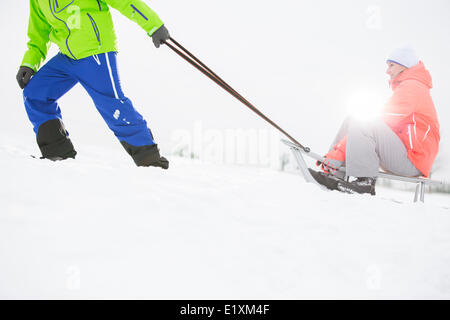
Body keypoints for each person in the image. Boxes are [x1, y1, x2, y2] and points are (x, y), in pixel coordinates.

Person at [16, 0, 170, 169]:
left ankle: (150, 160)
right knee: (35, 93)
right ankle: (57, 153)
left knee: (112, 105)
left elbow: (126, 2)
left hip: (94, 50)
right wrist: (29, 63)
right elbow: (39, 32)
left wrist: (154, 25)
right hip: (67, 56)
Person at [309, 46, 440, 195]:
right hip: (405, 154)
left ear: (404, 66)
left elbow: (381, 119)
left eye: (391, 65)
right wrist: (336, 154)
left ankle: (365, 182)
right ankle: (334, 172)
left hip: (413, 160)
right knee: (352, 119)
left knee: (363, 120)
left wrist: (338, 152)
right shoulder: (410, 86)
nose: (387, 71)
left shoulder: (413, 87)